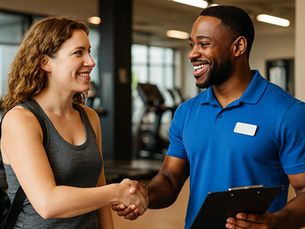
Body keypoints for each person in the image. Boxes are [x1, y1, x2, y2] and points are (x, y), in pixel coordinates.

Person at [113, 5, 305, 229]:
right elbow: (170, 179)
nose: (193, 54)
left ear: (238, 47)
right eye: (192, 45)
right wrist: (145, 195)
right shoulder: (186, 112)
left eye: (204, 44)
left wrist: (275, 222)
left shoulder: (288, 113)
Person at [0, 17, 148, 229]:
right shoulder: (22, 119)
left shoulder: (89, 117)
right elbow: (47, 203)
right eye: (79, 52)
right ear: (45, 62)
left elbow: (99, 189)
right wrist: (117, 192)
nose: (91, 61)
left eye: (89, 51)